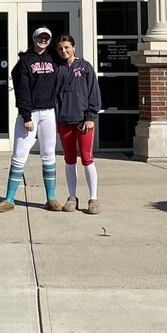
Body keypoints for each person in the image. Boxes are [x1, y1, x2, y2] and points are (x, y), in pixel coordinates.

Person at [0, 26, 62, 213]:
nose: (44, 40)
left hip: (48, 113)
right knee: (19, 156)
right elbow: (22, 90)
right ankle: (9, 199)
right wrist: (26, 115)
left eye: (47, 38)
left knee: (49, 155)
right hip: (30, 114)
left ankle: (51, 198)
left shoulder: (54, 59)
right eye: (40, 37)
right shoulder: (24, 62)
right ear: (34, 38)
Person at [53, 34, 101, 214]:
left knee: (87, 159)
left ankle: (93, 198)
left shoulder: (85, 67)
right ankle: (72, 197)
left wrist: (90, 117)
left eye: (67, 47)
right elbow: (54, 97)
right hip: (65, 121)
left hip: (84, 121)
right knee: (69, 160)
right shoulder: (58, 69)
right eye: (60, 48)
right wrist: (56, 121)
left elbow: (93, 93)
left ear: (73, 47)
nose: (64, 51)